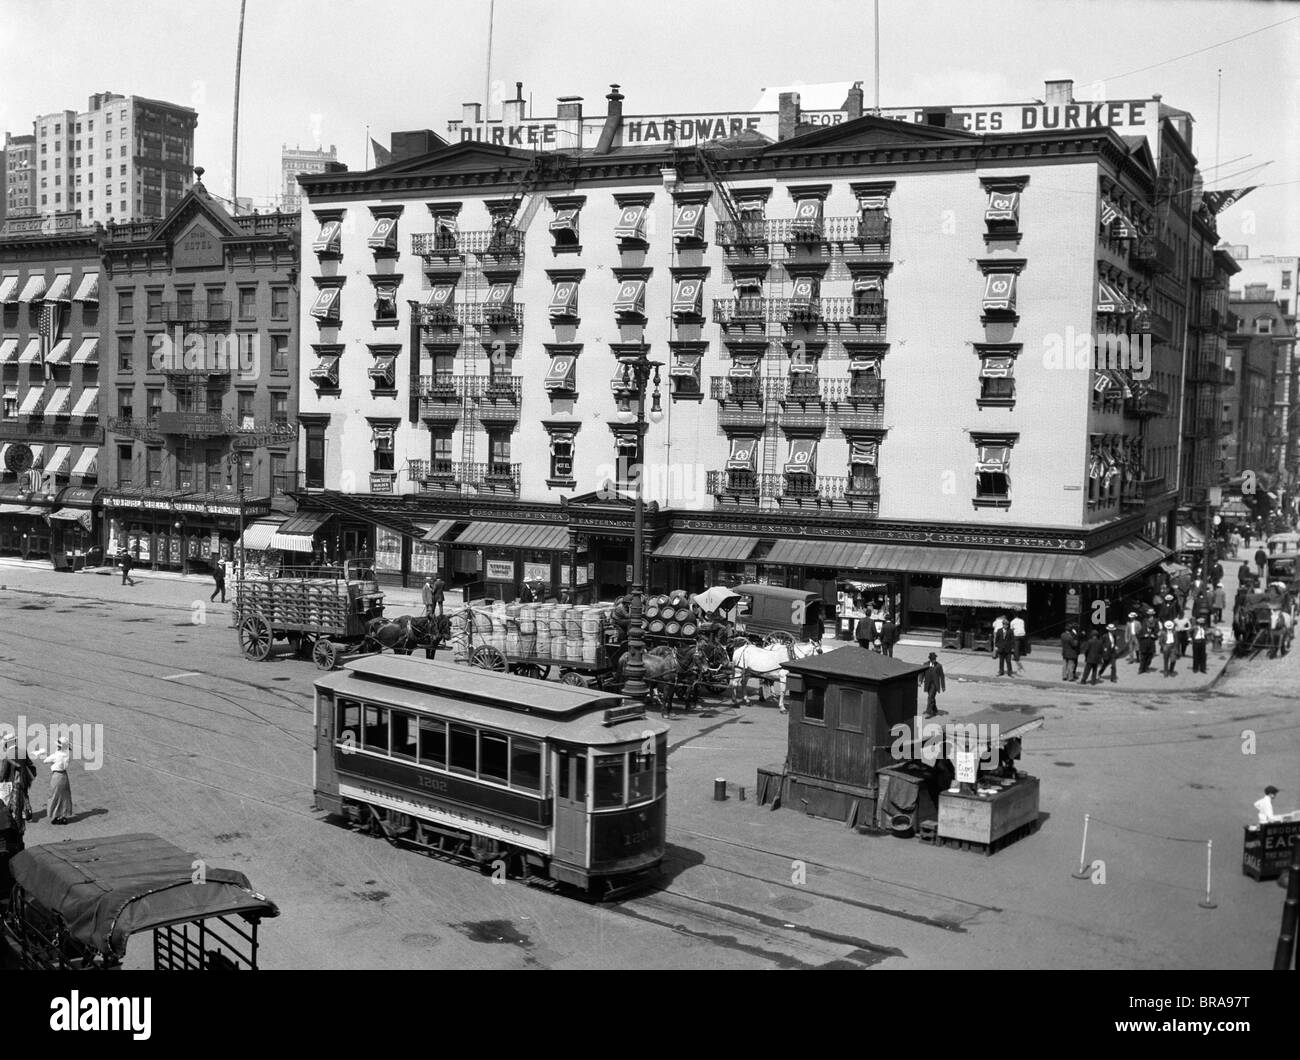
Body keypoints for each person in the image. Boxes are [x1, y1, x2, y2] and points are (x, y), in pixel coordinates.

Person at [32, 737, 72, 825]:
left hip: (57, 776)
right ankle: (63, 816)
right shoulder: (67, 754)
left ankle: (57, 815)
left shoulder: (57, 755)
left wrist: (42, 753)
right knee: (65, 796)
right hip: (64, 775)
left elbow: (46, 761)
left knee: (55, 796)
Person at [0, 735, 35, 826]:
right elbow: (30, 765)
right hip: (23, 780)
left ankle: (17, 818)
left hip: (13, 782)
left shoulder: (7, 756)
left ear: (7, 744)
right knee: (24, 795)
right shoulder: (23, 751)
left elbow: (3, 774)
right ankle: (28, 812)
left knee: (13, 801)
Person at [919, 653, 946, 718]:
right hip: (928, 684)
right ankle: (935, 709)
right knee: (931, 697)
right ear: (930, 659)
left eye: (935, 659)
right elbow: (922, 673)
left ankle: (929, 712)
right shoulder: (925, 665)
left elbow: (942, 676)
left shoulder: (939, 666)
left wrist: (943, 686)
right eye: (933, 659)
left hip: (935, 685)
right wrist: (920, 681)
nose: (934, 660)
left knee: (930, 697)